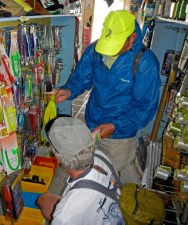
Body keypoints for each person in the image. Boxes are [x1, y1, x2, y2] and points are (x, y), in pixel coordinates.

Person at [53, 10, 161, 183]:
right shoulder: (95, 50)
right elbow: (82, 78)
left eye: (115, 45)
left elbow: (145, 107)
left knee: (114, 177)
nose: (110, 52)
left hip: (120, 135)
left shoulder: (145, 63)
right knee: (92, 171)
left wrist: (115, 125)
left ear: (132, 38)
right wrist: (69, 91)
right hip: (93, 123)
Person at [37, 116, 125, 225]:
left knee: (43, 200)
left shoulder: (65, 215)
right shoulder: (100, 155)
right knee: (44, 199)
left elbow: (65, 214)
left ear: (57, 157)